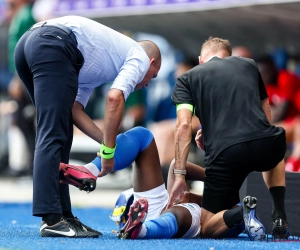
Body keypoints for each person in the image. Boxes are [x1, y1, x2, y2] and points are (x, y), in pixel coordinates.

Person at [14, 15, 161, 238]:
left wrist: (107, 142)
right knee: (53, 132)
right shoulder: (139, 56)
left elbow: (74, 110)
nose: (148, 82)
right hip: (52, 43)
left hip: (30, 44)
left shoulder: (98, 63)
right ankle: (52, 220)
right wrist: (109, 151)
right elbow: (115, 98)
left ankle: (63, 215)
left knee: (59, 130)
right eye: (153, 75)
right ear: (151, 64)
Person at [168, 36, 290, 240]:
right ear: (229, 57)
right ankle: (279, 215)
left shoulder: (187, 78)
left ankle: (242, 211)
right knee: (274, 148)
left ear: (200, 59)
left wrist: (180, 175)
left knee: (207, 227)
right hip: (266, 143)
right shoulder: (248, 65)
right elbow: (265, 109)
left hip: (226, 154)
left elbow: (183, 125)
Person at [59, 126, 265, 240]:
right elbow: (177, 163)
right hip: (167, 207)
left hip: (188, 215)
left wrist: (205, 196)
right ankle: (90, 170)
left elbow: (212, 228)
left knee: (182, 212)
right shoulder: (222, 172)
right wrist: (209, 178)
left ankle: (142, 230)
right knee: (142, 135)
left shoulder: (242, 184)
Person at [6, 0, 36, 176]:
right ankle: (31, 164)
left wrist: (18, 79)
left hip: (24, 77)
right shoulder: (20, 16)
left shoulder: (26, 16)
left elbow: (25, 48)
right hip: (21, 75)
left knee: (25, 119)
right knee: (21, 119)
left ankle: (33, 165)